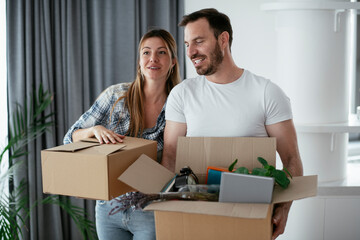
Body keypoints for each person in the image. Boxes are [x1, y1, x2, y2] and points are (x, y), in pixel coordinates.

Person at [161, 8, 303, 240]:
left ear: (223, 39)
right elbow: (170, 158)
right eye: (187, 44)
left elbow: (292, 160)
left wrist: (284, 209)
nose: (191, 52)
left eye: (198, 41)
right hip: (196, 216)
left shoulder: (266, 92)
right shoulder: (182, 94)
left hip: (250, 216)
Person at [63, 29, 181, 240]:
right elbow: (70, 137)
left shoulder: (179, 105)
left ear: (172, 61)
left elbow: (177, 160)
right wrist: (94, 130)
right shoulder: (116, 96)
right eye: (146, 52)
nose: (153, 58)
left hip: (151, 209)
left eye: (161, 52)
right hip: (109, 209)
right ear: (139, 60)